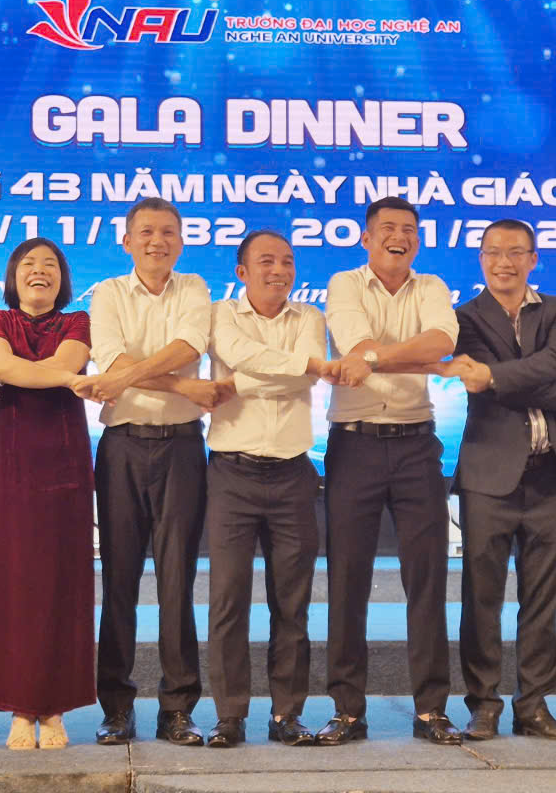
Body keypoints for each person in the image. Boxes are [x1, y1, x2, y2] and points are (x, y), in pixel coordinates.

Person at [82, 197, 227, 747]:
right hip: (121, 447)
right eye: (145, 232)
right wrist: (182, 384)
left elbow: (187, 346)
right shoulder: (108, 293)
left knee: (177, 581)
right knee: (118, 580)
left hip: (182, 448)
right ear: (126, 242)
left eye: (168, 232)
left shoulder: (193, 288)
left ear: (181, 242)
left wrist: (129, 378)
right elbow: (110, 360)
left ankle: (178, 708)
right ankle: (117, 708)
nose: (157, 241)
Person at [318, 196, 462, 746]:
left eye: (408, 230)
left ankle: (431, 710)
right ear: (366, 238)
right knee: (347, 580)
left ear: (417, 240)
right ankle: (347, 711)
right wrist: (421, 360)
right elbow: (355, 344)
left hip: (417, 445)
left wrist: (378, 359)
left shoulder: (432, 287)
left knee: (427, 579)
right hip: (353, 446)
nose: (398, 237)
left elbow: (442, 342)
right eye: (387, 229)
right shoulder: (344, 284)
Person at [447, 219, 556, 743]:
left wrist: (498, 375)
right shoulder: (462, 317)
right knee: (481, 597)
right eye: (492, 252)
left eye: (514, 252)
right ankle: (483, 704)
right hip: (489, 474)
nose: (503, 262)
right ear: (480, 258)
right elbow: (487, 386)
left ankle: (534, 705)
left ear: (533, 258)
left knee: (543, 598)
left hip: (554, 474)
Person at [202, 231, 340, 748]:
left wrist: (237, 382)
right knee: (228, 601)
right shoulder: (220, 315)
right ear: (242, 271)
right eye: (266, 261)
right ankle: (229, 716)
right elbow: (243, 354)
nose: (278, 270)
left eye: (287, 261)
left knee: (292, 604)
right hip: (231, 475)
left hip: (292, 475)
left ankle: (287, 714)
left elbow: (303, 379)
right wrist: (301, 366)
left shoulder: (309, 318)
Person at [0, 238, 95, 750]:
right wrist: (67, 379)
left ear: (62, 278)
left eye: (50, 264)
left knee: (62, 581)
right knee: (15, 580)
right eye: (29, 263)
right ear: (13, 275)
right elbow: (2, 368)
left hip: (66, 461)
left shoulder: (78, 321)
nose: (39, 271)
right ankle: (20, 708)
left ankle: (55, 708)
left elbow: (61, 358)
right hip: (13, 461)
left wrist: (33, 372)